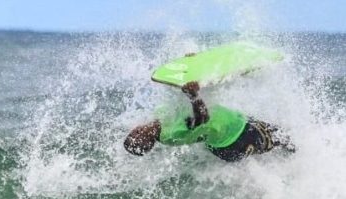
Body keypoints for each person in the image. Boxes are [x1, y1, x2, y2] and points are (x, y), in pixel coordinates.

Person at [124, 81, 295, 162]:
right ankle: (305, 163)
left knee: (277, 138)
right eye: (142, 136)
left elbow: (177, 98)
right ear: (150, 143)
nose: (141, 130)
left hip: (229, 127)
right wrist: (193, 95)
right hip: (236, 139)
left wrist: (191, 71)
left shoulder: (159, 114)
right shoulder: (172, 134)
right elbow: (202, 119)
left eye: (135, 132)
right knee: (285, 139)